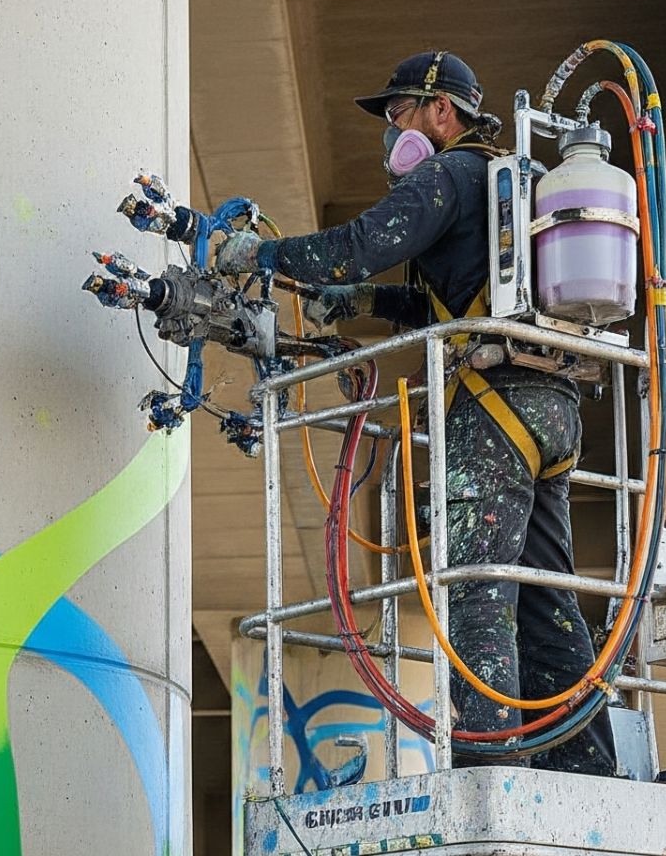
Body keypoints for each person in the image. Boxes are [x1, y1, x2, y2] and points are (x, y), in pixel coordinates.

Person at [215, 50, 616, 775]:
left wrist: (262, 255)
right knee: (545, 600)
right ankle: (590, 768)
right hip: (552, 404)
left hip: (494, 415)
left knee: (475, 598)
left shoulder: (449, 173)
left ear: (441, 111)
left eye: (398, 113)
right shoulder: (507, 182)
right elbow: (458, 295)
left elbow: (358, 246)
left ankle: (492, 777)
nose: (390, 133)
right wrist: (368, 303)